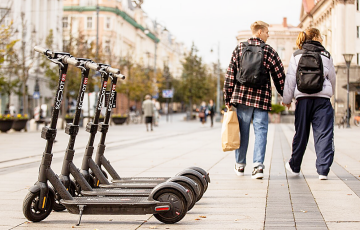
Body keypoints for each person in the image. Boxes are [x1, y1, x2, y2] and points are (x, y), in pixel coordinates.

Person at [223, 21, 285, 179]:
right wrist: (285, 95)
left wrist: (228, 97)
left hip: (242, 97)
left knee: (243, 131)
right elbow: (279, 76)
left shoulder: (239, 48)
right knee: (261, 131)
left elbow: (230, 74)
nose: (268, 35)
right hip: (262, 98)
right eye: (266, 32)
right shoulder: (269, 51)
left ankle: (240, 165)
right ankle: (258, 167)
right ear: (259, 32)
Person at [282, 28, 336, 180]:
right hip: (322, 100)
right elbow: (332, 78)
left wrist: (287, 100)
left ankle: (294, 166)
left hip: (303, 99)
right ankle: (323, 170)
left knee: (301, 133)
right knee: (324, 133)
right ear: (317, 37)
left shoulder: (296, 55)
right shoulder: (326, 55)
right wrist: (330, 94)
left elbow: (291, 80)